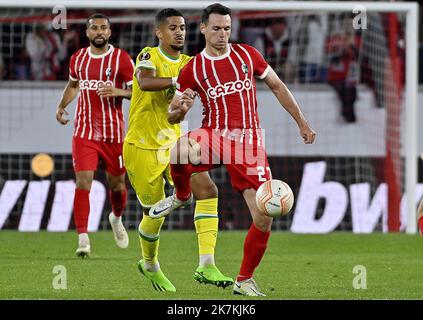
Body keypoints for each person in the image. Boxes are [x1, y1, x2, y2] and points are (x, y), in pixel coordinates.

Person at [149, 3, 316, 296]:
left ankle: (244, 279)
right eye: (216, 29)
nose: (222, 34)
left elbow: (277, 86)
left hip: (249, 142)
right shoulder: (192, 69)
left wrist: (302, 122)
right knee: (178, 148)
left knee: (264, 216)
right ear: (203, 29)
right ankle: (182, 195)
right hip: (214, 133)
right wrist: (179, 110)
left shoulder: (247, 55)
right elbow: (173, 115)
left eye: (226, 28)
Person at [123, 8, 233, 292]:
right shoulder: (149, 55)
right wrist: (178, 82)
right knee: (152, 216)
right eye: (172, 27)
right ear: (159, 32)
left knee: (207, 190)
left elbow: (179, 112)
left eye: (183, 27)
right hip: (142, 146)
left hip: (174, 144)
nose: (179, 32)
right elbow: (145, 82)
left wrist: (183, 107)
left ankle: (207, 264)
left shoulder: (189, 63)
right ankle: (149, 265)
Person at [55, 13, 134, 257]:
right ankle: (83, 238)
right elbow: (74, 85)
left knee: (118, 185)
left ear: (109, 32)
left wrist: (117, 91)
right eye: (94, 28)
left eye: (103, 28)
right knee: (83, 182)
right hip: (84, 133)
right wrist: (61, 106)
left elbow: (137, 94)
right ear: (87, 33)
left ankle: (116, 218)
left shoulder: (121, 59)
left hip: (113, 135)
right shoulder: (78, 58)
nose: (99, 32)